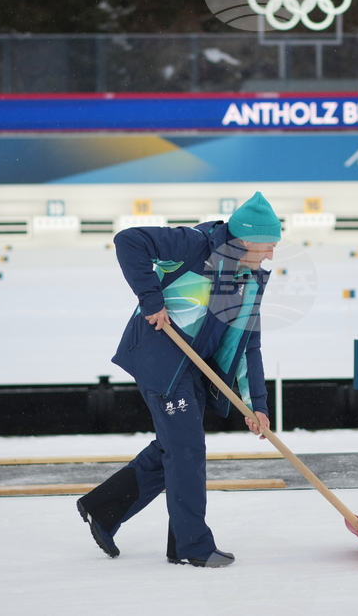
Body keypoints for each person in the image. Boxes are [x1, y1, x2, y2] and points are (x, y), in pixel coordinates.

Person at [77, 191, 280, 568]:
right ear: (248, 239)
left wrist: (257, 405)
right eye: (269, 245)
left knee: (173, 447)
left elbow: (248, 345)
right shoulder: (194, 245)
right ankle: (193, 545)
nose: (271, 255)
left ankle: (103, 509)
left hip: (195, 368)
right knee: (186, 448)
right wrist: (151, 299)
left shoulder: (250, 279)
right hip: (161, 356)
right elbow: (129, 241)